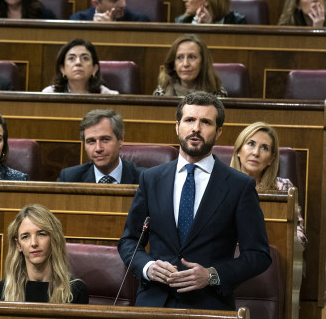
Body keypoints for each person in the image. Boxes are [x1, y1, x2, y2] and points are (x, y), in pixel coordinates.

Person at [118, 91, 271, 310]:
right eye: (190, 120)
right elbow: (129, 241)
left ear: (218, 132)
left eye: (205, 122)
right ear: (177, 126)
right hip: (155, 303)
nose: (196, 128)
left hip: (209, 304)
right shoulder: (151, 178)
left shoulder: (239, 186)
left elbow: (258, 255)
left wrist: (212, 275)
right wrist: (148, 266)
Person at [229, 122, 307, 247]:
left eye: (264, 147)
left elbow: (298, 234)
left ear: (271, 159)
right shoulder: (219, 184)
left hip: (269, 255)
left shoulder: (283, 187)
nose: (256, 153)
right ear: (238, 150)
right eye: (251, 144)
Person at [0, 204, 88, 303]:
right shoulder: (5, 289)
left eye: (41, 234)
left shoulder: (75, 290)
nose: (34, 243)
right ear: (18, 244)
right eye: (25, 237)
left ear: (53, 239)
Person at [58, 109, 142, 183]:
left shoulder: (143, 179)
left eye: (105, 139)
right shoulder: (69, 178)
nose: (98, 148)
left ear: (120, 140)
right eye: (91, 141)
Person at [153, 34, 227, 97]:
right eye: (180, 57)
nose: (185, 64)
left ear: (203, 62)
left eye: (192, 57)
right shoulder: (161, 93)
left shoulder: (217, 94)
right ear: (173, 64)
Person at [42, 39, 118, 94]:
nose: (78, 62)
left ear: (94, 69)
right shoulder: (49, 94)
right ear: (62, 69)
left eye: (85, 58)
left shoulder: (107, 96)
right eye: (71, 58)